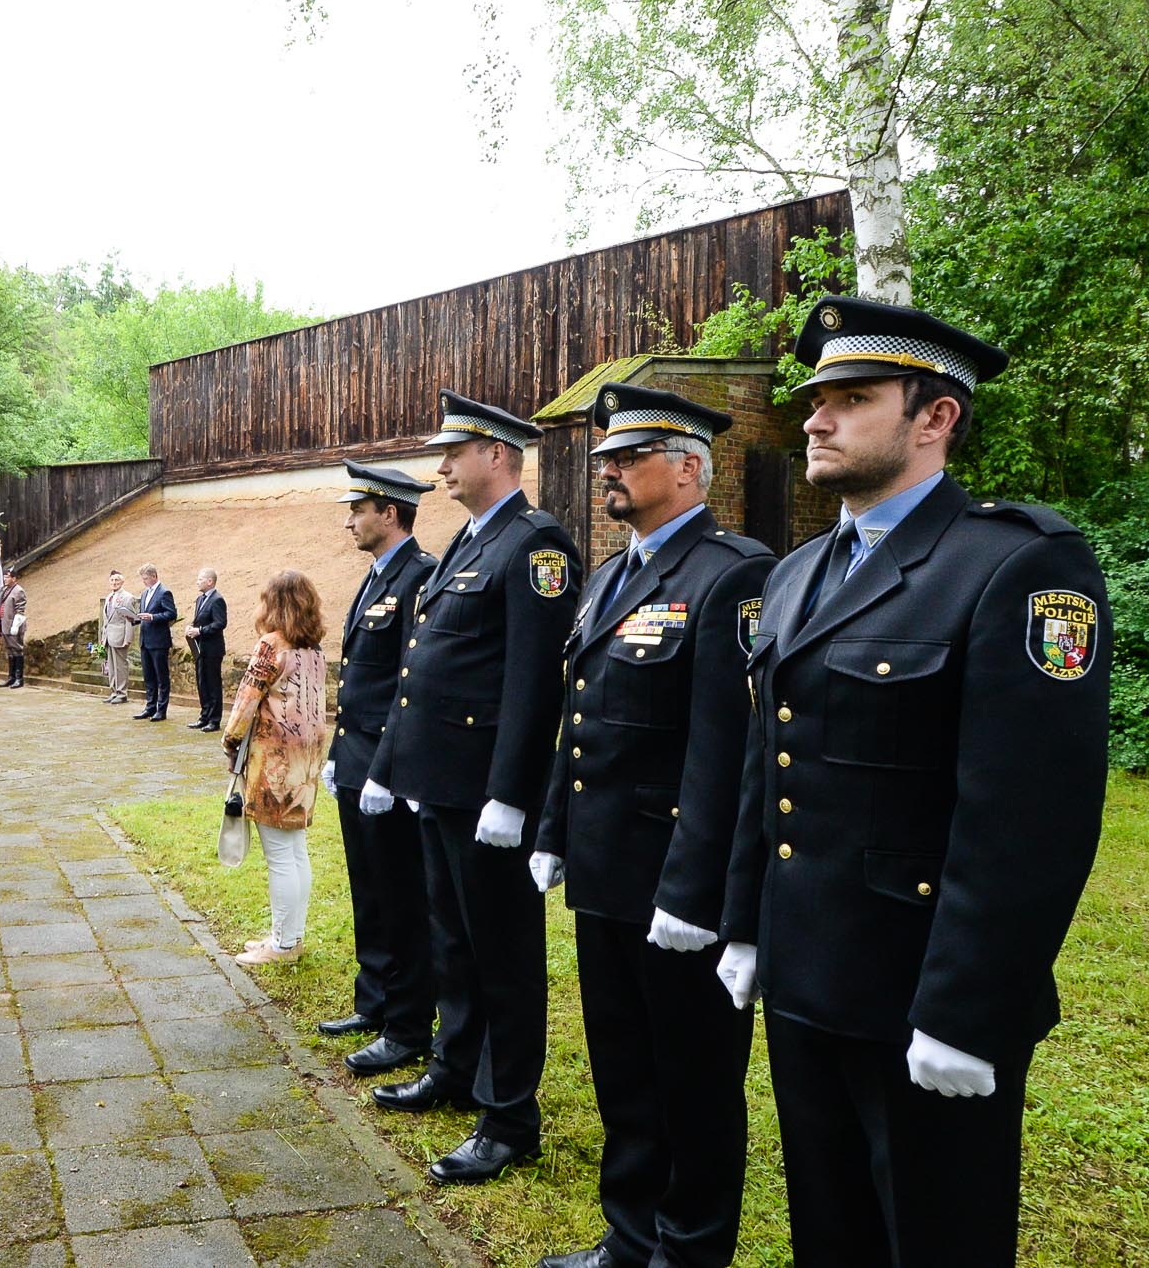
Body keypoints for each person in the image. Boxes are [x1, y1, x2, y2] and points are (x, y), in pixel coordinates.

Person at [715, 297, 1110, 1268]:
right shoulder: (800, 571)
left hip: (918, 996)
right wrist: (741, 921)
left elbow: (1028, 816)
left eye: (849, 398)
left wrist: (963, 1014)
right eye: (814, 399)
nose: (813, 417)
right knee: (830, 1232)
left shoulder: (1016, 563)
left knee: (937, 1238)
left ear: (933, 418)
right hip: (806, 973)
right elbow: (766, 763)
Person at [528, 385, 776, 1268]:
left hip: (679, 883)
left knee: (695, 1081)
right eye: (605, 460)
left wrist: (693, 888)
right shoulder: (608, 575)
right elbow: (582, 712)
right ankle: (630, 1238)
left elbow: (729, 749)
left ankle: (690, 1248)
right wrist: (554, 828)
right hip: (606, 872)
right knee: (626, 1073)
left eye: (628, 458)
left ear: (687, 467)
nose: (608, 471)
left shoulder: (732, 572)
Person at [360, 390, 581, 1185]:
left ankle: (509, 1112)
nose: (442, 466)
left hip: (487, 793)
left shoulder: (535, 544)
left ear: (499, 455)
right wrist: (394, 769)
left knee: (503, 953)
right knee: (452, 938)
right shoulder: (464, 542)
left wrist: (511, 793)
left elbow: (533, 682)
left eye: (455, 452)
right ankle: (456, 1066)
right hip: (439, 784)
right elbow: (423, 668)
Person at [318, 460, 440, 1079]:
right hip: (356, 754)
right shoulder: (376, 577)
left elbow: (408, 687)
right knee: (369, 885)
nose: (349, 523)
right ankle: (375, 1001)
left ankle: (407, 1022)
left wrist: (387, 768)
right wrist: (342, 755)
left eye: (357, 511)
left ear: (389, 513)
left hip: (386, 764)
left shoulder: (421, 577)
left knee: (401, 894)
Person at [222, 571, 328, 967]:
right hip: (305, 763)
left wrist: (230, 741)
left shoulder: (271, 645)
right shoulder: (314, 649)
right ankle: (289, 935)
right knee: (295, 852)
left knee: (281, 857)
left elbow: (245, 703)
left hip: (273, 765)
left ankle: (283, 945)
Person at [129, 563, 177, 721]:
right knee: (148, 676)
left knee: (161, 677)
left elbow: (171, 614)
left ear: (154, 576)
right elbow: (143, 615)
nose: (144, 581)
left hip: (159, 640)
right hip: (145, 640)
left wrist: (154, 617)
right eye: (143, 578)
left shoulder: (164, 592)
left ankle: (161, 710)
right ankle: (150, 706)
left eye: (146, 578)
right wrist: (133, 618)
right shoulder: (144, 594)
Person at [185, 567, 227, 732]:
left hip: (213, 649)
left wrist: (200, 630)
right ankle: (204, 716)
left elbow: (220, 623)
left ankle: (214, 720)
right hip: (200, 648)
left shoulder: (217, 599)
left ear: (210, 581)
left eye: (200, 579)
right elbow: (201, 620)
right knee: (202, 683)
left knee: (213, 684)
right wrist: (192, 627)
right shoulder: (200, 599)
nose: (197, 581)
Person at [99, 570, 138, 703]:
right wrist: (103, 636)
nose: (114, 583)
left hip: (120, 635)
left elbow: (130, 619)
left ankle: (122, 693)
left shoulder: (127, 597)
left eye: (117, 580)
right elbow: (106, 620)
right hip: (109, 636)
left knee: (120, 665)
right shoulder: (109, 597)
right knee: (111, 665)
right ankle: (114, 691)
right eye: (112, 580)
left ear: (122, 582)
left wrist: (128, 638)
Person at [0, 567, 28, 688]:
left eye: (8, 577)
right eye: (4, 576)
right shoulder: (4, 590)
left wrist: (15, 625)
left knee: (17, 649)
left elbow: (20, 610)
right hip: (4, 624)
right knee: (9, 650)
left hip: (14, 625)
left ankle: (19, 678)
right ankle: (11, 676)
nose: (5, 579)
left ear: (14, 578)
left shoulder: (18, 591)